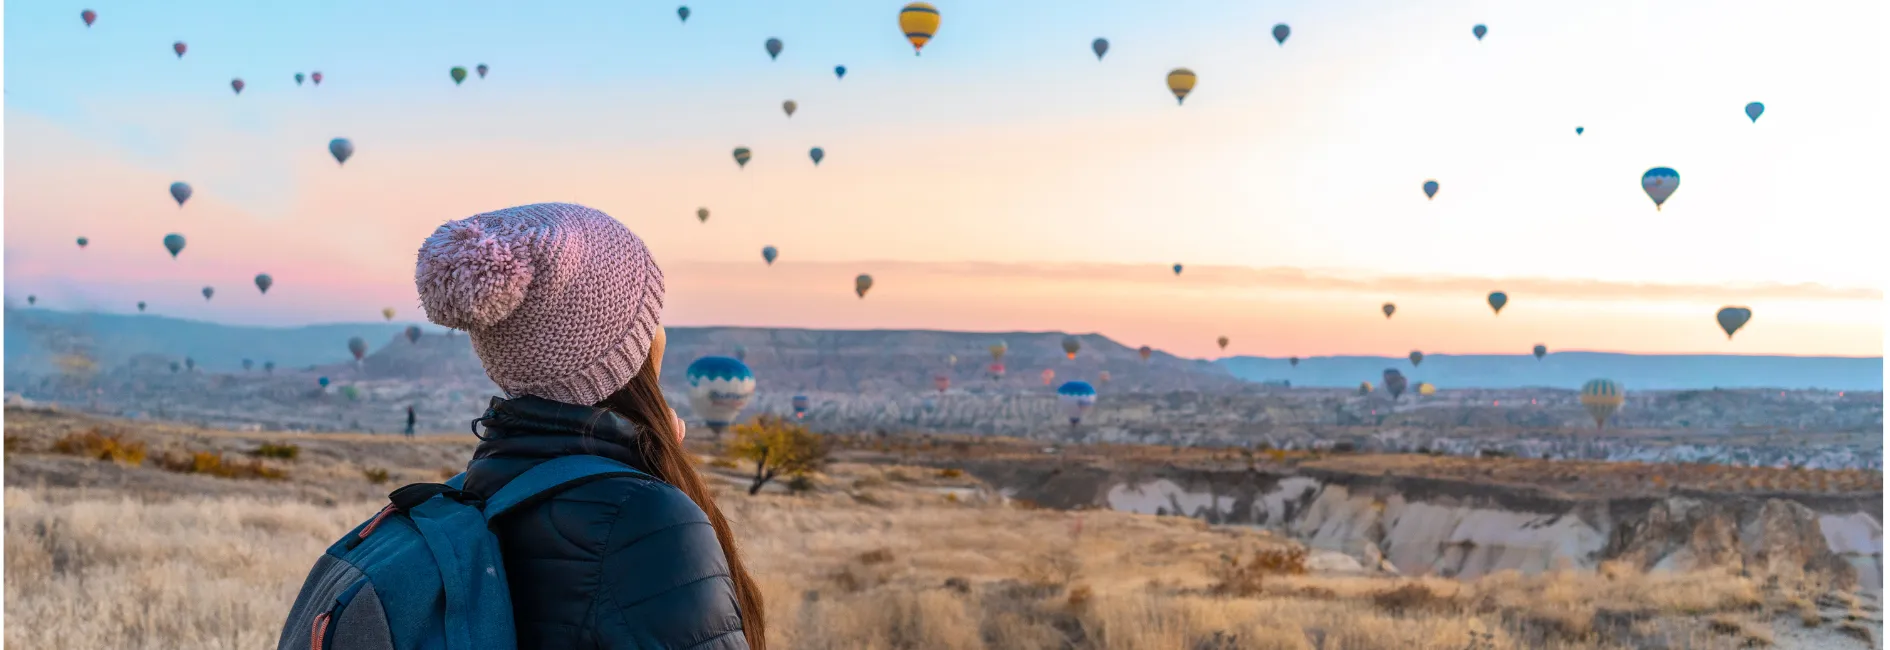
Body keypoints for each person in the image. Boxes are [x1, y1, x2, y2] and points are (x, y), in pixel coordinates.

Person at [414, 203, 763, 649]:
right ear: (629, 345)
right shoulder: (646, 517)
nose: (661, 331)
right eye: (652, 314)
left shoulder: (484, 486)